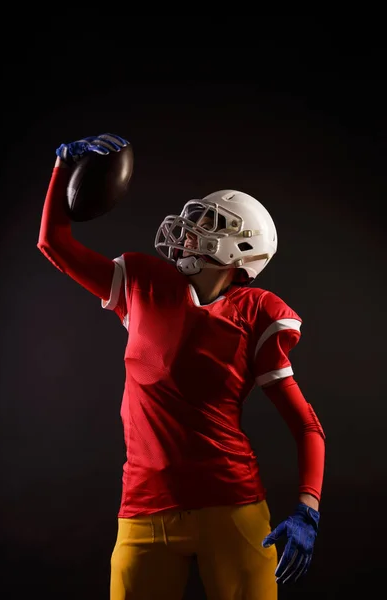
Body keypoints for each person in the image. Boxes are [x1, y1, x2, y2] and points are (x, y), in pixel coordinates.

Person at [37, 133, 326, 600]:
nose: (189, 231)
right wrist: (60, 170)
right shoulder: (142, 282)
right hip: (143, 506)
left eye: (209, 223)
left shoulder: (258, 312)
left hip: (232, 506)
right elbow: (52, 242)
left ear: (239, 249)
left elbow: (306, 425)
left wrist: (307, 508)